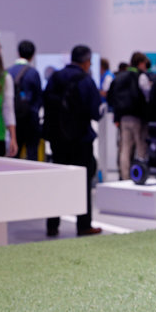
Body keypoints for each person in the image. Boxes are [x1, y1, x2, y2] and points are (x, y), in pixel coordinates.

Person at [44, 44, 103, 237]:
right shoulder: (86, 80)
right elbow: (95, 112)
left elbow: (47, 103)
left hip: (57, 139)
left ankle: (52, 225)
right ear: (86, 62)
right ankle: (84, 225)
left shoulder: (55, 77)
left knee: (56, 182)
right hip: (81, 140)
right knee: (83, 183)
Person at [108, 51, 151, 179]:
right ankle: (141, 175)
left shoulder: (119, 76)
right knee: (141, 148)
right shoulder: (141, 77)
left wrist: (117, 115)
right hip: (138, 117)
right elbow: (147, 95)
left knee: (125, 149)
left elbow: (111, 96)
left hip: (123, 118)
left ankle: (125, 176)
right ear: (141, 63)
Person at [8, 40, 42, 160]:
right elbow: (38, 97)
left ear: (18, 53)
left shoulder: (9, 71)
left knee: (14, 153)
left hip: (14, 119)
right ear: (32, 55)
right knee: (32, 154)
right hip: (30, 119)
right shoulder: (33, 73)